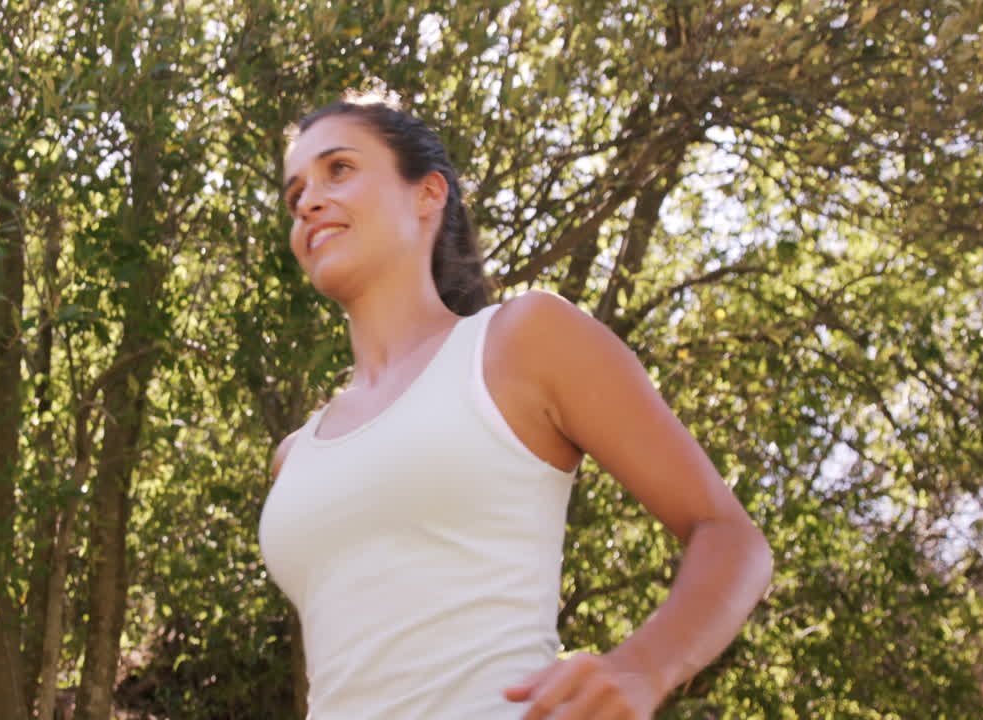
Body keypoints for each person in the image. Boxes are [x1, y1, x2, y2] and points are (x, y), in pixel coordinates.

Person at [258, 88, 774, 720]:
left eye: (339, 169)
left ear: (428, 194)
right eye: (295, 195)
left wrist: (644, 666)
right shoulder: (296, 456)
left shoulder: (519, 342)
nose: (309, 202)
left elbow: (732, 538)